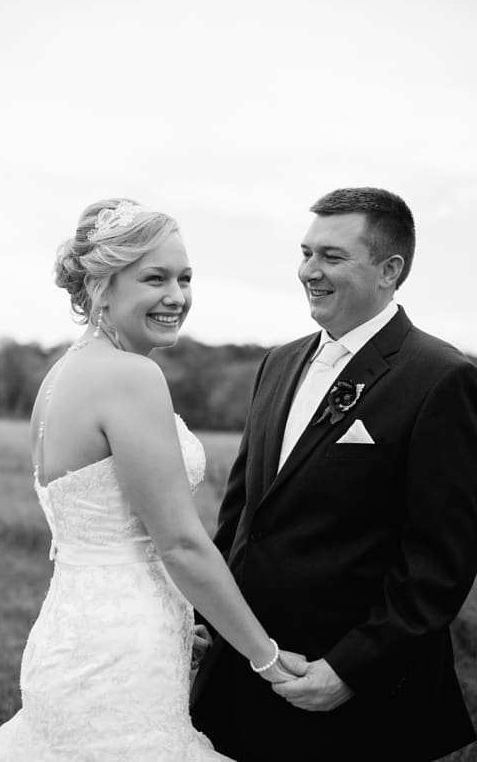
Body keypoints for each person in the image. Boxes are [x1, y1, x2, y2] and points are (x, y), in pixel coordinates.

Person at [0, 198, 304, 760]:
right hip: (121, 651)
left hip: (71, 636)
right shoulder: (132, 376)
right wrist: (263, 656)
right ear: (101, 286)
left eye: (185, 278)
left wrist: (176, 618)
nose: (177, 296)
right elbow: (180, 542)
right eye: (155, 278)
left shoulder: (59, 377)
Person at [190, 187, 477, 761]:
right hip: (244, 673)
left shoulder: (442, 378)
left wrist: (349, 670)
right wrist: (207, 622)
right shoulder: (280, 360)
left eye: (331, 256)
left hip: (353, 702)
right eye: (305, 252)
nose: (308, 271)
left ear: (390, 270)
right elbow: (242, 517)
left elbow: (438, 566)